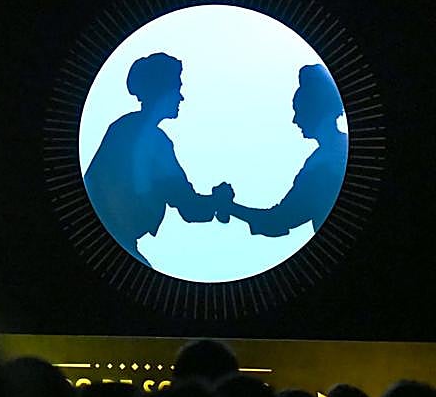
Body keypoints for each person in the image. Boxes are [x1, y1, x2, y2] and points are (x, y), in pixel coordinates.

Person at [83, 52, 231, 265]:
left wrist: (215, 202)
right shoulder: (152, 140)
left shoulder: (125, 128)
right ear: (163, 90)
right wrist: (219, 200)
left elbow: (187, 203)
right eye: (178, 88)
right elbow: (189, 206)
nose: (181, 97)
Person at [218, 64, 347, 236]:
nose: (295, 120)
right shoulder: (334, 154)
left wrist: (228, 207)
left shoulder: (320, 165)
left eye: (298, 110)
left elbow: (279, 220)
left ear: (313, 109)